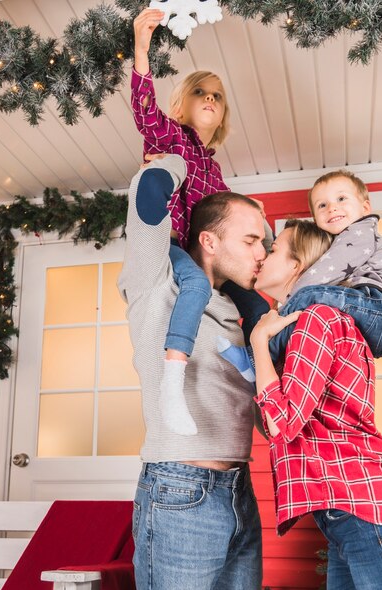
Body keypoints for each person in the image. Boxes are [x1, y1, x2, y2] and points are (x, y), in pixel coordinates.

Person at [250, 219, 382, 590]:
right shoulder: (306, 324)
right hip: (352, 514)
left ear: (297, 264)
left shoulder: (317, 319)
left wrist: (258, 345)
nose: (261, 256)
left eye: (272, 250)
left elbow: (283, 423)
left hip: (372, 511)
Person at [117, 154, 265, 590]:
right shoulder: (155, 281)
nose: (262, 251)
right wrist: (184, 159)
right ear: (208, 240)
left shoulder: (235, 310)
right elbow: (148, 191)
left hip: (240, 489)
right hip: (181, 491)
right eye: (250, 239)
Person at [132, 8, 270, 435]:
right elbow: (144, 111)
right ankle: (172, 383)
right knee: (193, 285)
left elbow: (227, 216)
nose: (210, 98)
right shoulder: (172, 137)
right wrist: (141, 44)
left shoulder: (215, 169)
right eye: (200, 92)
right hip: (175, 243)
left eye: (217, 96)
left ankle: (266, 377)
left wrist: (254, 214)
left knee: (258, 304)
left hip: (209, 251)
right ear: (182, 103)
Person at [219, 169, 382, 382]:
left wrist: (291, 301)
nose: (332, 208)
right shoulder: (345, 242)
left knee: (308, 294)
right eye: (322, 205)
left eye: (341, 198)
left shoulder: (361, 232)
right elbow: (290, 252)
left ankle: (256, 359)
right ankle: (257, 359)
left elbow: (325, 270)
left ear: (365, 207)